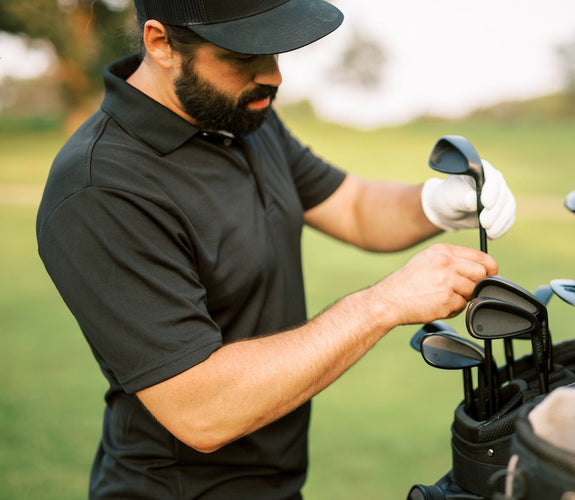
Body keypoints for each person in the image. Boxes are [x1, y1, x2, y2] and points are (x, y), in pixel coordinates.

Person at [35, 0, 517, 498]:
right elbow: (202, 410)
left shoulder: (238, 113)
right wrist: (383, 303)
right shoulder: (101, 188)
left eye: (277, 51)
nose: (274, 76)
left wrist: (434, 204)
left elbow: (349, 205)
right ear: (161, 43)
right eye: (245, 57)